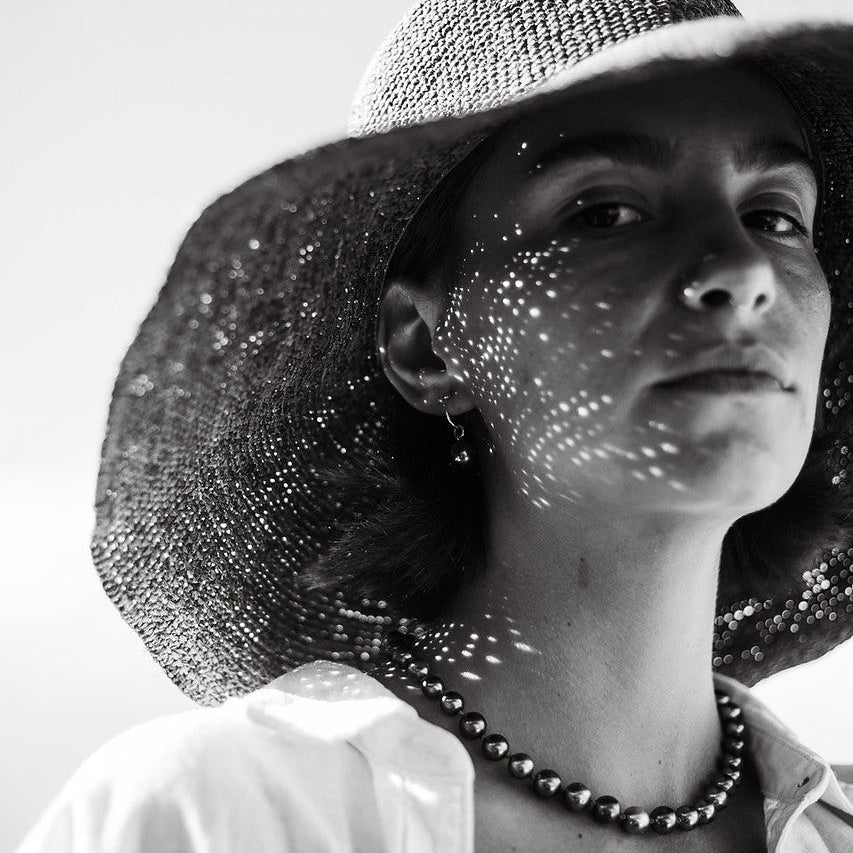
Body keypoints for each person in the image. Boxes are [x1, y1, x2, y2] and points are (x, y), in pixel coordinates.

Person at [13, 1, 853, 851]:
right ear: (426, 345)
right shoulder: (220, 813)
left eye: (775, 216)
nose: (742, 270)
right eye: (604, 212)